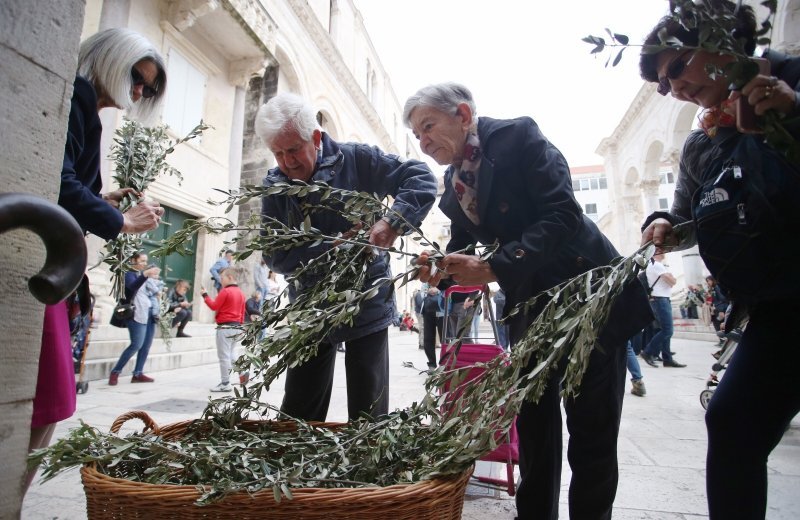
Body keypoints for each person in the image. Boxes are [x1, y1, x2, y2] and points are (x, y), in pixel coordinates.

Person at [405, 82, 652, 520]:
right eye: (417, 136)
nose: (423, 143)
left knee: (591, 428)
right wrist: (440, 270)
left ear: (462, 115)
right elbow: (466, 247)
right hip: (531, 307)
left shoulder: (519, 138)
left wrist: (497, 266)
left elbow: (562, 215)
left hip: (587, 295)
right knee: (535, 426)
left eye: (428, 127)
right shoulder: (455, 182)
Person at [638, 2, 800, 518]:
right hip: (777, 309)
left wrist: (793, 110)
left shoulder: (790, 78)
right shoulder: (701, 142)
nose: (675, 88)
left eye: (676, 68)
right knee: (731, 422)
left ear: (720, 39)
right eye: (664, 85)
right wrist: (666, 225)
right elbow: (690, 218)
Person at [254, 92, 437, 422]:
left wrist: (392, 221)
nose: (287, 162)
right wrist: (331, 246)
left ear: (315, 136)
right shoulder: (275, 186)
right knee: (298, 410)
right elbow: (275, 255)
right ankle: (294, 468)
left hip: (367, 302)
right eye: (278, 153)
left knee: (369, 410)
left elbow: (420, 177)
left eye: (293, 149)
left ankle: (367, 471)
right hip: (310, 309)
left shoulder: (358, 159)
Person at [108, 252, 160, 385]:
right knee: (136, 344)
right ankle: (115, 372)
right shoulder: (128, 274)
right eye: (142, 261)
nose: (144, 264)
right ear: (133, 260)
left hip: (149, 313)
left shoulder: (141, 275)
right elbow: (132, 288)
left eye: (145, 261)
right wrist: (145, 275)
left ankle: (137, 374)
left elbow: (152, 290)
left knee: (146, 346)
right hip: (135, 314)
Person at [202, 268, 248, 392]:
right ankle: (242, 372)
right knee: (232, 353)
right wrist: (241, 326)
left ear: (230, 277)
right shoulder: (241, 293)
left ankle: (225, 383)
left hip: (225, 327)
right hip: (237, 326)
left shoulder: (225, 291)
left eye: (222, 278)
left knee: (224, 356)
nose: (221, 281)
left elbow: (214, 306)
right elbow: (243, 311)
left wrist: (205, 295)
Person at [639, 254, 686, 368]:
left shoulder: (654, 265)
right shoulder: (657, 265)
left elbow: (672, 281)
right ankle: (648, 351)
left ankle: (667, 358)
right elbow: (672, 282)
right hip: (660, 300)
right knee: (667, 330)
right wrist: (670, 278)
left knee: (664, 330)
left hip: (660, 299)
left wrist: (670, 278)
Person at [421, 285, 444, 370]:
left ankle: (444, 363)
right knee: (428, 338)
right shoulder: (426, 281)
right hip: (427, 311)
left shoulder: (444, 278)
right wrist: (428, 291)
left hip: (442, 312)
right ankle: (431, 364)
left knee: (444, 339)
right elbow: (422, 294)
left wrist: (438, 290)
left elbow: (448, 291)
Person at [491, 285, 510, 350]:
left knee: (507, 335)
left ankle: (506, 348)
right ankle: (503, 349)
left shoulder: (508, 294)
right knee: (501, 335)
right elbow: (496, 300)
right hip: (500, 319)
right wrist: (506, 301)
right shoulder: (498, 293)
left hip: (507, 318)